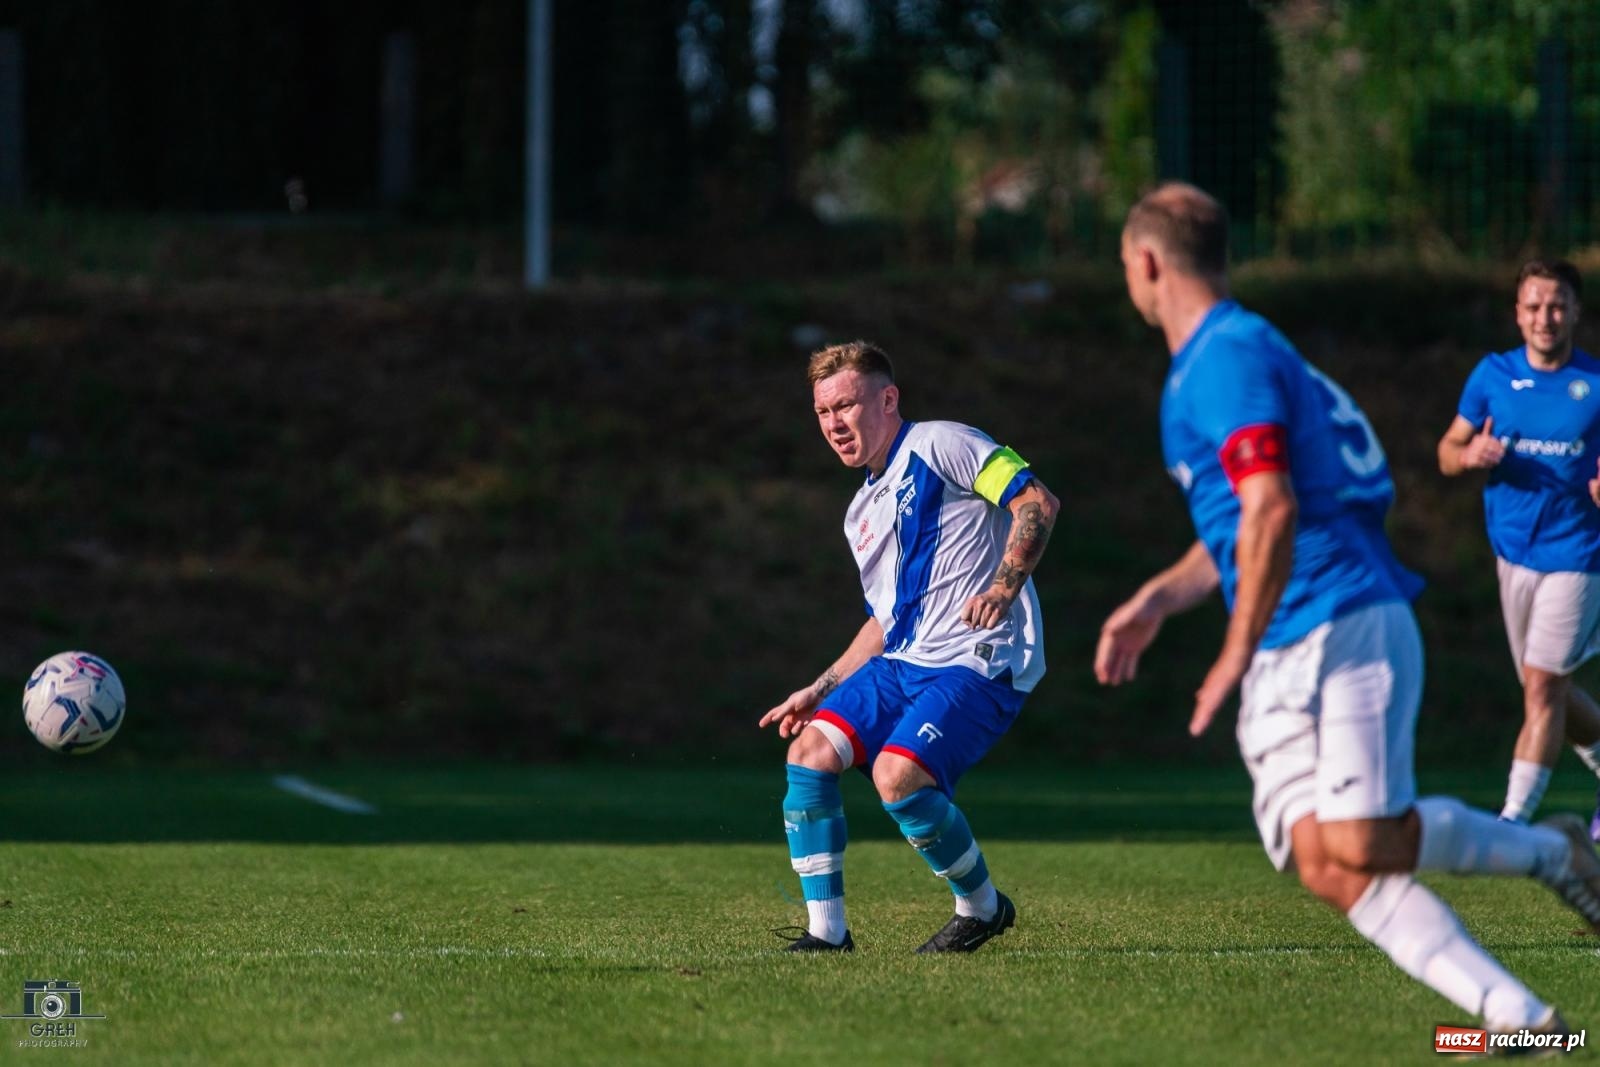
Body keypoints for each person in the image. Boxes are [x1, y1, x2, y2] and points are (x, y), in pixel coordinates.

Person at [1097, 182, 1600, 1040]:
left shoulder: (1224, 358)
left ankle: (1553, 851)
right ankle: (1519, 1017)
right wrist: (1162, 594)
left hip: (1340, 621)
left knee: (1363, 840)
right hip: (1296, 628)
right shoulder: (1244, 352)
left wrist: (1231, 652)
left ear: (1147, 262)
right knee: (1325, 860)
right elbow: (1245, 518)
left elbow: (1272, 510)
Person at [759, 340, 1058, 953]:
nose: (834, 423)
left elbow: (1036, 502)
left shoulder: (943, 443)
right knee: (809, 754)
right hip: (904, 661)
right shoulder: (860, 513)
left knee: (897, 776)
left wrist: (1002, 587)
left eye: (846, 405)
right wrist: (819, 687)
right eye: (823, 412)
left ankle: (982, 908)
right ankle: (827, 934)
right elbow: (884, 621)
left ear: (888, 399)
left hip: (978, 659)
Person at [1437, 260, 1600, 832]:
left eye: (1556, 306)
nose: (1544, 318)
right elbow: (1447, 450)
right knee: (1542, 687)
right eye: (1534, 306)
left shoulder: (1595, 384)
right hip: (1512, 553)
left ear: (1575, 312)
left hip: (1578, 554)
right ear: (1518, 313)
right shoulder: (1492, 375)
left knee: (1544, 686)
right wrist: (1468, 456)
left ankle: (1512, 821)